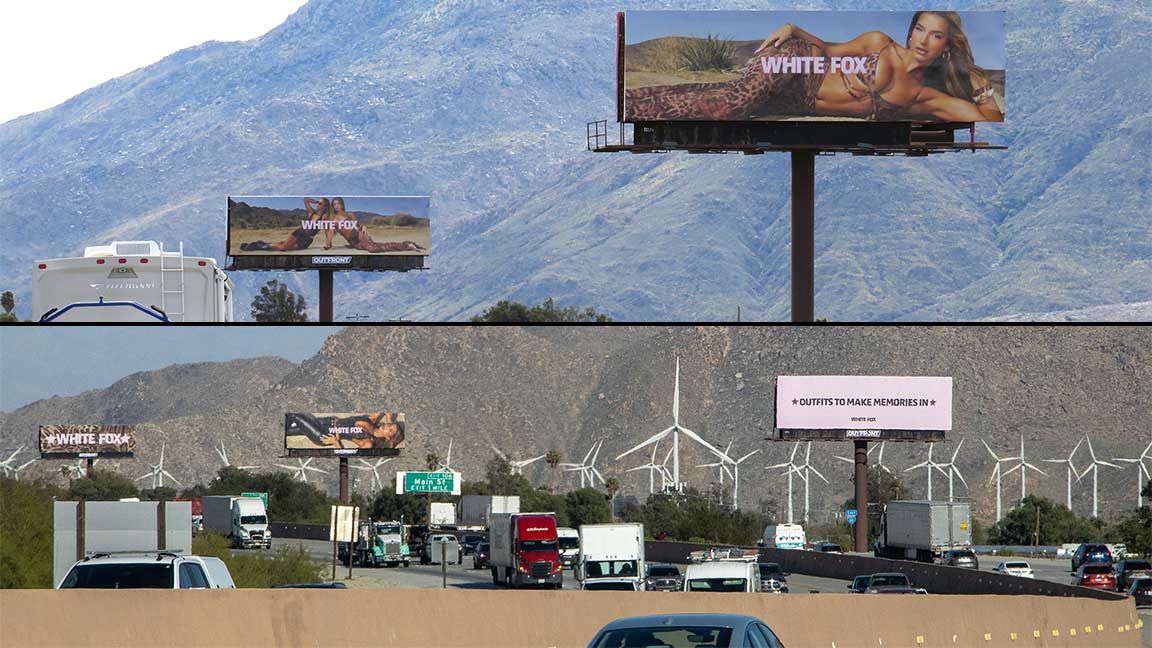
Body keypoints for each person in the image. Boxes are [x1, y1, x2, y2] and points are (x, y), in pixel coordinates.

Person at [626, 11, 1000, 123]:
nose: (922, 40)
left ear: (946, 45)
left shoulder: (925, 96)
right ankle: (626, 107)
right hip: (799, 65)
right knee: (730, 104)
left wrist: (975, 78)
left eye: (934, 36)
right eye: (919, 29)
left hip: (795, 104)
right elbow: (827, 50)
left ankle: (631, 100)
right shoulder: (879, 43)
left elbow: (989, 119)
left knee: (716, 102)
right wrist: (792, 29)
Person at [327, 197, 427, 254]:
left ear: (342, 204)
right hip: (353, 242)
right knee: (376, 245)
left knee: (373, 249)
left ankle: (407, 246)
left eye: (338, 203)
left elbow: (358, 224)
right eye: (334, 204)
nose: (336, 206)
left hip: (360, 235)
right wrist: (328, 243)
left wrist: (364, 226)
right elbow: (331, 232)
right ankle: (406, 244)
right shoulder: (332, 219)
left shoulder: (349, 214)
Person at [239, 197, 330, 251]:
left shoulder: (324, 217)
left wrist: (328, 243)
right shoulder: (311, 213)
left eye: (320, 204)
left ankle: (262, 243)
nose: (318, 205)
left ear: (325, 207)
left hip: (307, 240)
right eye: (318, 203)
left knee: (283, 245)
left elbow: (328, 229)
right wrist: (316, 201)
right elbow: (305, 199)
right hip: (299, 233)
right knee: (283, 247)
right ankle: (257, 246)